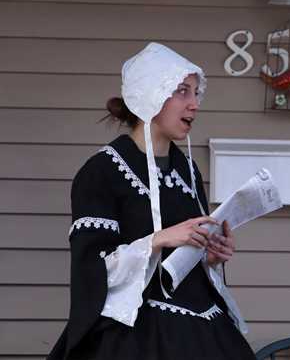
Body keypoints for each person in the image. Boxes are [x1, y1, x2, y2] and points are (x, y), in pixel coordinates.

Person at [47, 42, 257, 360]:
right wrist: (158, 239)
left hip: (205, 331)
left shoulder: (187, 170)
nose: (195, 104)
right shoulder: (102, 172)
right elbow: (93, 272)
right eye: (182, 91)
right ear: (151, 94)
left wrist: (211, 257)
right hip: (133, 338)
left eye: (196, 93)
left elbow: (186, 262)